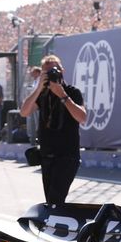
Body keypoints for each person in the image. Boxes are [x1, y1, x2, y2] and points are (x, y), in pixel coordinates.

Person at [19, 55, 86, 204]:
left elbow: (82, 117)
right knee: (51, 201)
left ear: (62, 70)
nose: (52, 74)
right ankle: (56, 226)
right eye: (47, 72)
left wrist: (62, 95)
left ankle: (57, 225)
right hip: (47, 155)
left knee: (55, 200)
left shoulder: (72, 92)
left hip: (67, 156)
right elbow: (24, 112)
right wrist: (39, 88)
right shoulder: (42, 95)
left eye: (54, 70)